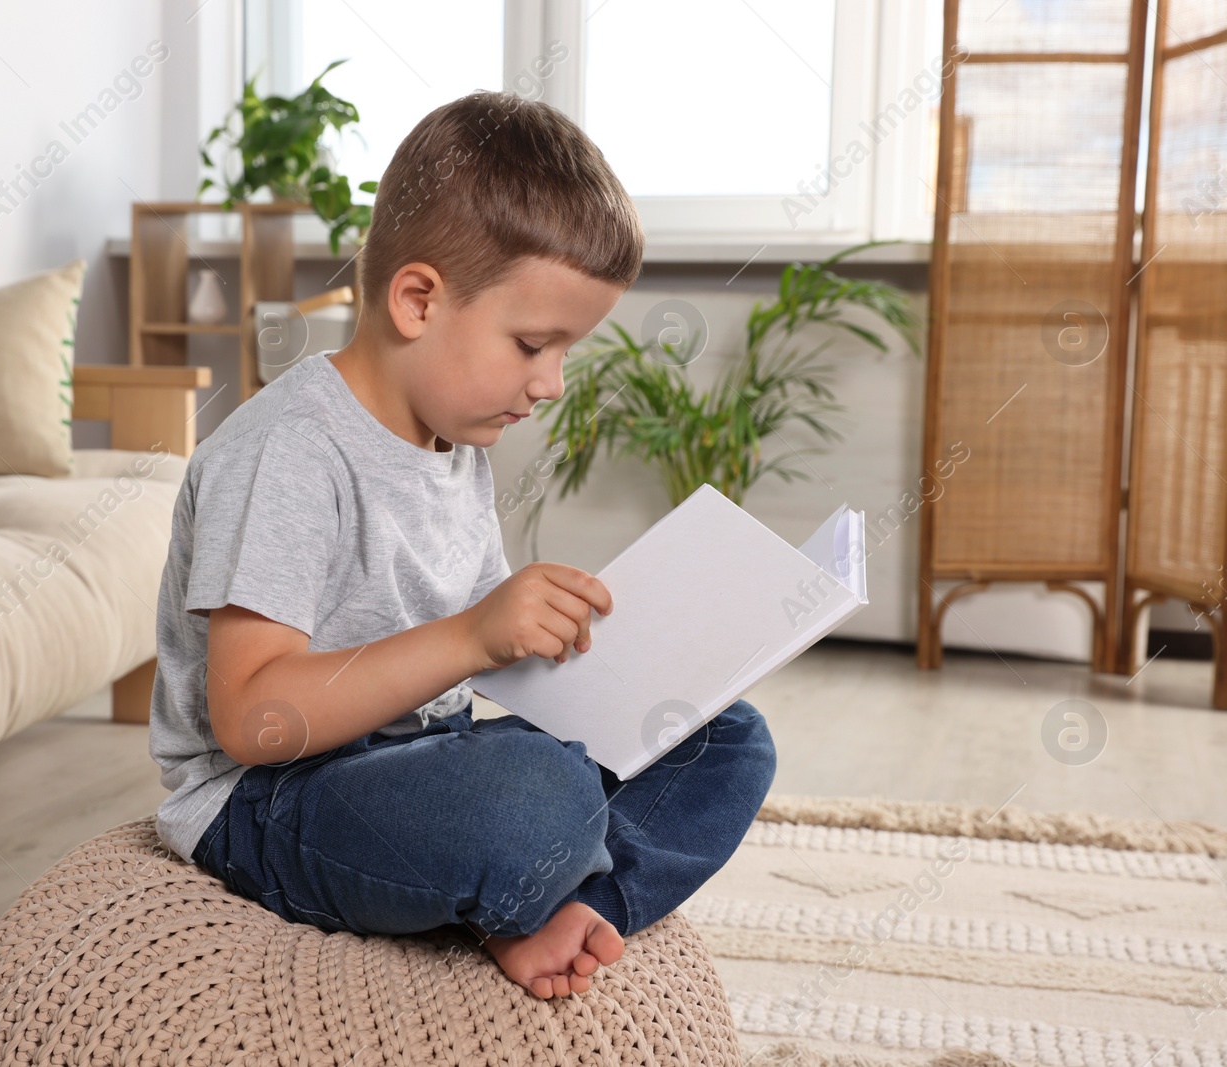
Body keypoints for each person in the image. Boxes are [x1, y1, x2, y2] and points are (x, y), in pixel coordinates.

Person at [149, 89, 777, 1000]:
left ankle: (557, 905)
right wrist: (475, 634)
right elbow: (253, 718)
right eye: (532, 344)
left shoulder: (453, 439)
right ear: (417, 300)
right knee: (533, 795)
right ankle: (527, 887)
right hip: (274, 800)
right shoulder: (285, 451)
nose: (552, 382)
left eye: (565, 353)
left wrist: (585, 649)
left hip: (423, 759)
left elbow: (473, 675)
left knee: (725, 739)